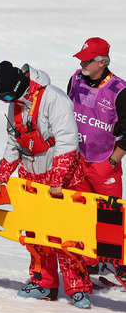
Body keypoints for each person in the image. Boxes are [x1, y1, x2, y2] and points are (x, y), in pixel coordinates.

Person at [0, 61, 93, 308]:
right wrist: (0, 176)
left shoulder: (54, 99)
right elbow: (14, 143)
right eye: (4, 99)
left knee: (66, 236)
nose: (9, 101)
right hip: (32, 177)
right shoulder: (16, 105)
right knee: (35, 235)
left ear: (21, 85)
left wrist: (57, 180)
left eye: (10, 95)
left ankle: (78, 289)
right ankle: (44, 284)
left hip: (60, 179)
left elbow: (67, 141)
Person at [68, 37, 126, 198]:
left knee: (108, 217)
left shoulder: (120, 90)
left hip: (103, 163)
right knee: (77, 213)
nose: (81, 64)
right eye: (81, 59)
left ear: (102, 63)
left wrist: (112, 162)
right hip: (76, 160)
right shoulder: (75, 79)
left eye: (87, 60)